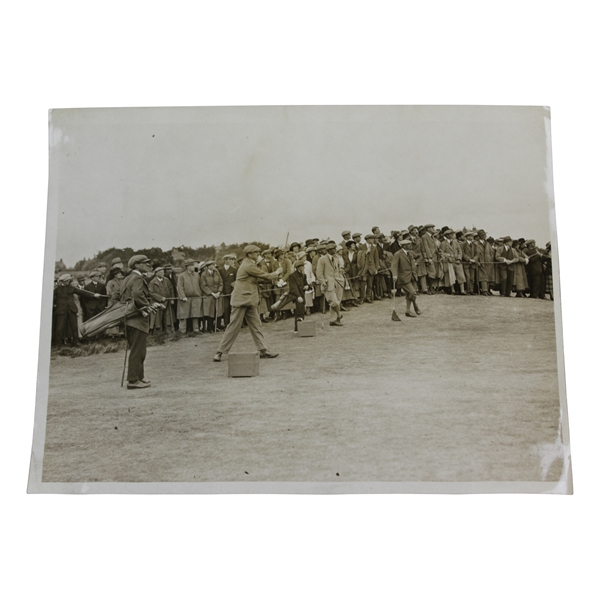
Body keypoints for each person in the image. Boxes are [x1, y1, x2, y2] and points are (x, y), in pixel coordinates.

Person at [213, 245, 283, 362]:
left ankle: (263, 350)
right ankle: (219, 352)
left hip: (249, 300)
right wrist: (277, 273)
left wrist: (273, 277)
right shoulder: (248, 265)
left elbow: (257, 279)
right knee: (234, 326)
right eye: (256, 253)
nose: (258, 255)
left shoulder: (250, 264)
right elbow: (262, 275)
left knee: (256, 325)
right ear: (249, 254)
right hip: (241, 300)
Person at [120, 255, 162, 389]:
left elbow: (119, 296)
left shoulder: (127, 278)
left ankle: (140, 377)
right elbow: (138, 295)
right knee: (138, 351)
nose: (148, 265)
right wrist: (147, 307)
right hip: (137, 320)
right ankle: (133, 381)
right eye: (145, 263)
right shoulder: (138, 278)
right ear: (136, 265)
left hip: (129, 318)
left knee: (137, 349)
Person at [53, 274, 102, 344]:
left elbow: (82, 292)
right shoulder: (57, 289)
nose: (68, 282)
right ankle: (57, 343)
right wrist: (54, 304)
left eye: (69, 280)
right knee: (59, 327)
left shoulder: (71, 288)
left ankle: (76, 341)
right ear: (64, 281)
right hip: (61, 310)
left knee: (74, 326)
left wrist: (93, 295)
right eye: (67, 280)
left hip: (72, 309)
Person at [316, 240, 345, 327]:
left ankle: (333, 320)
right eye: (333, 249)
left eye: (335, 248)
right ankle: (339, 315)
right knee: (334, 302)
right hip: (328, 284)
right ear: (329, 250)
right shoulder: (322, 259)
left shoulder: (336, 258)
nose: (335, 250)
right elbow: (319, 273)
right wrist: (323, 281)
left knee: (337, 302)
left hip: (339, 282)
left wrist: (341, 275)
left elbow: (338, 269)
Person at [391, 239, 421, 317]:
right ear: (403, 246)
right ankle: (415, 306)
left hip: (412, 276)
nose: (410, 245)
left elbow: (412, 264)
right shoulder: (398, 254)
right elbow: (394, 266)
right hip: (403, 277)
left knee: (409, 294)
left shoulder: (410, 253)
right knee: (413, 293)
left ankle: (408, 311)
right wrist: (394, 275)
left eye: (410, 244)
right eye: (408, 244)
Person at [177, 258, 203, 333]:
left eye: (193, 265)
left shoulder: (197, 275)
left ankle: (196, 329)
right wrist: (182, 297)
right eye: (191, 266)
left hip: (196, 298)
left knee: (195, 314)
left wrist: (200, 294)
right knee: (184, 315)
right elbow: (180, 287)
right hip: (186, 298)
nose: (193, 267)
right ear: (187, 266)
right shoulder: (181, 276)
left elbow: (200, 285)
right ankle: (182, 330)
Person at [148, 265, 175, 332]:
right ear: (156, 273)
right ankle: (158, 332)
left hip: (167, 302)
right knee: (158, 319)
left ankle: (168, 331)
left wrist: (172, 299)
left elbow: (171, 289)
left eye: (163, 272)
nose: (162, 273)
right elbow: (151, 293)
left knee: (168, 317)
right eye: (160, 272)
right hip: (157, 303)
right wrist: (160, 298)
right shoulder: (152, 282)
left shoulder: (166, 280)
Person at [200, 260, 223, 333]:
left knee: (218, 310)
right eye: (212, 265)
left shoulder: (217, 273)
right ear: (208, 266)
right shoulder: (204, 275)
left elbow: (221, 282)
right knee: (210, 311)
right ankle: (210, 328)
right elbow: (203, 286)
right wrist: (212, 293)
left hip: (218, 295)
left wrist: (219, 292)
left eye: (214, 265)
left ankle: (217, 326)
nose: (214, 266)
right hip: (209, 296)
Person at [287, 260, 310, 333]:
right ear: (297, 267)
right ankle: (297, 328)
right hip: (297, 296)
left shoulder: (304, 275)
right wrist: (298, 296)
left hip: (302, 295)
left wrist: (307, 286)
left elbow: (305, 284)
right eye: (301, 266)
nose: (303, 267)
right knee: (299, 312)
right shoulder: (292, 276)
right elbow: (293, 288)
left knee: (301, 311)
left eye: (303, 266)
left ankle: (299, 328)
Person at [218, 254, 238, 328]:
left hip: (232, 292)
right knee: (226, 308)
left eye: (231, 259)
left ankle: (234, 323)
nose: (231, 261)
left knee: (233, 307)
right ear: (225, 260)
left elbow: (236, 280)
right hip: (224, 292)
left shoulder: (234, 270)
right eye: (229, 259)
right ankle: (227, 324)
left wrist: (234, 290)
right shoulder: (220, 270)